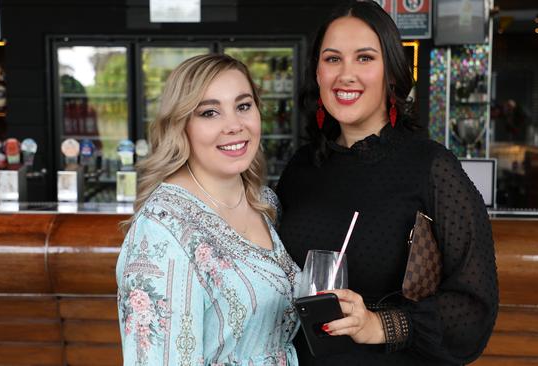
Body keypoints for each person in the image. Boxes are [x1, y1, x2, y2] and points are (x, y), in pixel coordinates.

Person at [276, 1, 499, 365]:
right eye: (333, 59)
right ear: (317, 73)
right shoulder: (302, 168)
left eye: (364, 58)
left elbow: (474, 307)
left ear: (392, 73)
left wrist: (379, 325)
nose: (345, 74)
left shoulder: (431, 166)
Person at [116, 54, 300, 365]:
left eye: (243, 106)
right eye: (210, 112)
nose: (234, 125)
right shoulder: (161, 232)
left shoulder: (263, 201)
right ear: (180, 124)